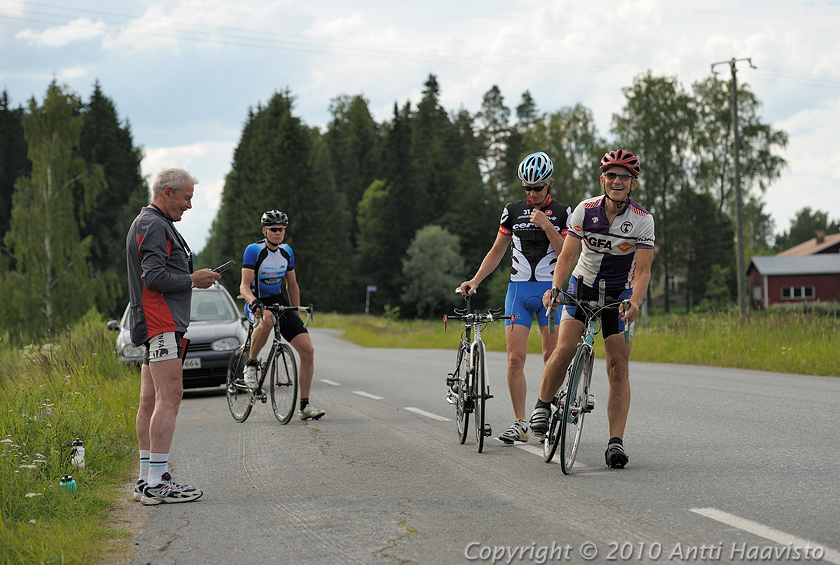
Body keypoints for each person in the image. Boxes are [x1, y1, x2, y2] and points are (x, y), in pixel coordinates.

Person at [529, 149, 654, 468]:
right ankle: (542, 404)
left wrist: (636, 302)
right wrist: (556, 288)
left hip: (619, 296)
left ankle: (615, 443)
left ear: (633, 184)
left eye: (624, 176)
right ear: (602, 180)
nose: (617, 181)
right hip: (581, 288)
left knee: (618, 367)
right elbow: (567, 256)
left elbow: (643, 271)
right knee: (565, 348)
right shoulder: (585, 210)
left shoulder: (642, 220)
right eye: (611, 175)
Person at [459, 152, 571, 444]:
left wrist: (547, 225)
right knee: (514, 359)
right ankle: (521, 423)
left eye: (538, 188)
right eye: (527, 188)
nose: (532, 193)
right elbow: (497, 251)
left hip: (550, 292)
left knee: (551, 357)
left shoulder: (563, 212)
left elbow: (567, 253)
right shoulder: (512, 211)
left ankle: (545, 415)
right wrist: (475, 280)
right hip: (518, 291)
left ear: (549, 184)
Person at [127, 168, 220, 505]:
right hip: (160, 320)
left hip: (156, 321)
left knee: (150, 401)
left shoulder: (151, 222)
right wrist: (193, 280)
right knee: (171, 395)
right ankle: (157, 481)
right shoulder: (153, 224)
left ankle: (145, 479)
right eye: (186, 198)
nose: (190, 205)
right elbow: (153, 277)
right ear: (167, 192)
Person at [239, 210, 324, 420]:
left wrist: (295, 312)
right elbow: (244, 286)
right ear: (264, 230)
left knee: (308, 350)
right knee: (267, 320)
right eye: (274, 229)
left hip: (278, 300)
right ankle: (251, 364)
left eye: (282, 229)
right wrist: (254, 302)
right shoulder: (253, 251)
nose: (278, 232)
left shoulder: (287, 252)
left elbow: (292, 285)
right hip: (256, 300)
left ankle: (304, 406)